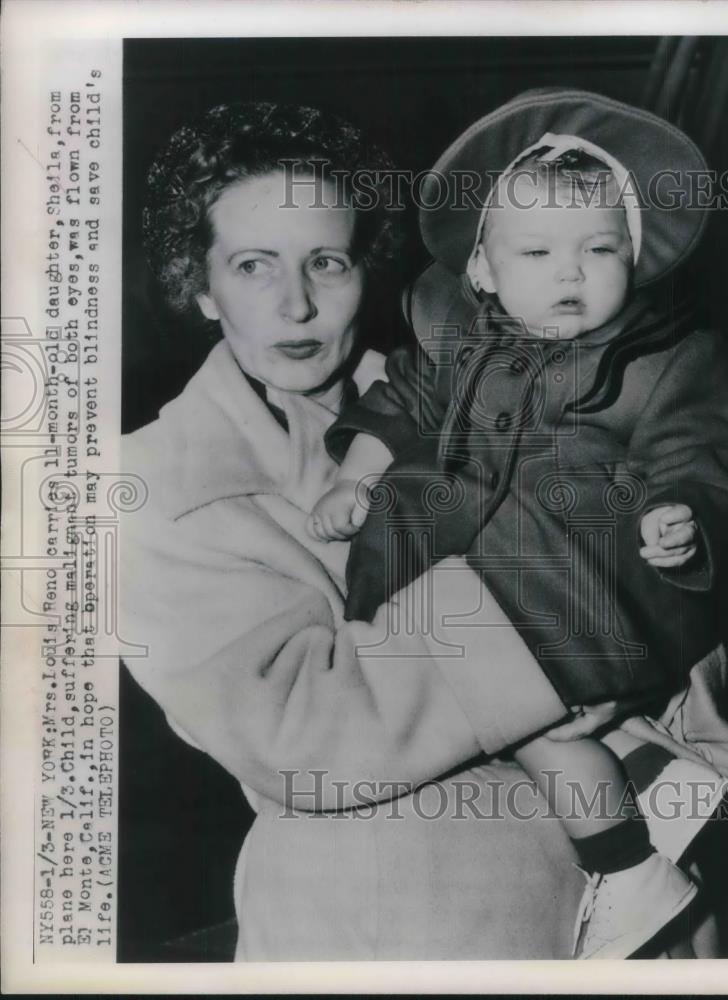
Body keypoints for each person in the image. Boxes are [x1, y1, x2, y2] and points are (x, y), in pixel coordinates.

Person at [120, 99, 649, 962]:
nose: (295, 305)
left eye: (325, 262)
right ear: (201, 287)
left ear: (366, 271)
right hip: (382, 915)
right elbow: (299, 731)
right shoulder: (155, 480)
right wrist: (569, 618)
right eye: (253, 266)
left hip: (614, 883)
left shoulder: (478, 399)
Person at [308, 90, 728, 958]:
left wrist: (682, 513)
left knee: (536, 724)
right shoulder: (454, 334)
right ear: (483, 271)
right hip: (470, 567)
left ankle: (628, 869)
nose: (570, 274)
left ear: (638, 255)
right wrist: (358, 478)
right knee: (516, 724)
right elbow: (402, 400)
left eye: (600, 248)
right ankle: (645, 803)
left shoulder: (667, 353)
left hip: (588, 570)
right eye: (538, 251)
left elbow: (706, 447)